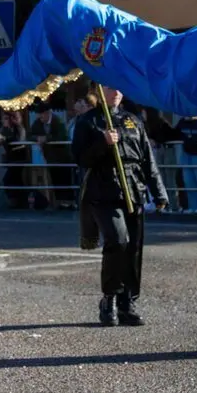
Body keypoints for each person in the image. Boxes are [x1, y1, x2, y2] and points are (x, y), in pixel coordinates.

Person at [72, 84, 167, 327]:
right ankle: (110, 298)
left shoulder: (132, 120)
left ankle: (128, 301)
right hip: (103, 191)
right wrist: (103, 143)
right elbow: (80, 159)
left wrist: (159, 193)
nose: (116, 91)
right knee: (118, 240)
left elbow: (147, 159)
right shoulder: (88, 121)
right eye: (110, 87)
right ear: (99, 90)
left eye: (119, 88)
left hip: (134, 191)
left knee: (134, 247)